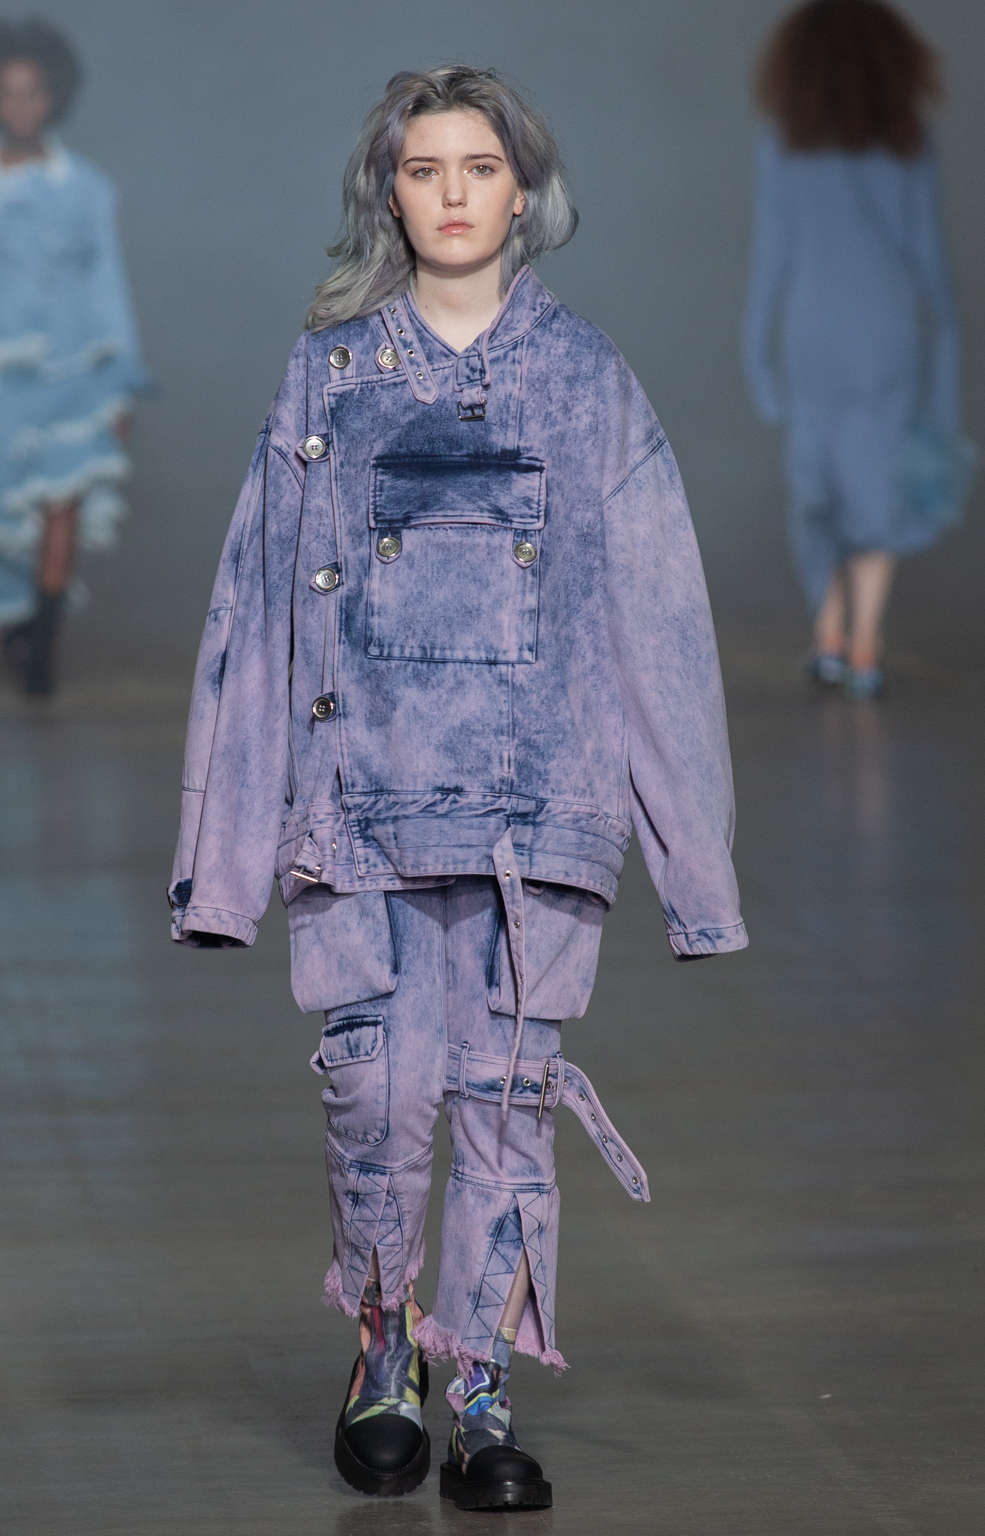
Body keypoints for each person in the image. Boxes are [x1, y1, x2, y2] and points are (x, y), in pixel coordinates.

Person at [169, 66, 747, 1509]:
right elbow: (254, 609)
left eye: (479, 168)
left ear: (523, 191)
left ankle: (479, 1378)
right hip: (357, 810)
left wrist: (697, 874)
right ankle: (384, 1353)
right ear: (390, 193)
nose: (452, 194)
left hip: (537, 816)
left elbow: (660, 625)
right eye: (424, 169)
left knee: (503, 1101)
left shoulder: (588, 381)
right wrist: (223, 867)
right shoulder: (328, 378)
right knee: (375, 1098)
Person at [742, 0, 963, 699]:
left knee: (817, 487)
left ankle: (829, 635)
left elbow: (771, 261)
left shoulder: (783, 140)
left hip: (812, 335)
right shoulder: (908, 139)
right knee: (874, 484)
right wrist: (946, 376)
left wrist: (758, 359)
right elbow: (930, 266)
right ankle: (864, 641)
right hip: (888, 335)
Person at [0, 19, 150, 695]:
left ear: (54, 96)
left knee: (63, 501)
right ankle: (16, 624)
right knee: (3, 511)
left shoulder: (87, 187)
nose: (20, 105)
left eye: (33, 90)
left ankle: (42, 647)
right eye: (6, 92)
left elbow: (107, 285)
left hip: (78, 371)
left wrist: (121, 384)